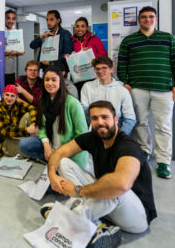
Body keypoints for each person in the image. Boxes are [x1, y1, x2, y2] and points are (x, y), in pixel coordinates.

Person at [42, 101, 157, 246]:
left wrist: (78, 190)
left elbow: (121, 184)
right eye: (95, 118)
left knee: (113, 187)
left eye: (105, 117)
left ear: (115, 120)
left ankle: (72, 216)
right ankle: (92, 220)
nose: (100, 122)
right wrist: (52, 175)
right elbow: (58, 153)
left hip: (136, 218)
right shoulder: (93, 138)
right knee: (64, 163)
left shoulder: (128, 146)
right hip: (107, 207)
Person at [117, 6, 175, 179]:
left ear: (156, 19)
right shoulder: (129, 41)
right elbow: (122, 63)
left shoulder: (168, 38)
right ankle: (144, 152)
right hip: (137, 88)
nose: (148, 19)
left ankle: (163, 162)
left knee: (163, 126)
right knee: (140, 123)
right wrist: (125, 82)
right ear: (139, 20)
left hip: (164, 89)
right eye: (144, 17)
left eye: (151, 17)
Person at [18, 66, 88, 168]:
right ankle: (50, 159)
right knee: (24, 145)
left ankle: (54, 161)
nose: (50, 83)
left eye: (54, 80)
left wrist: (59, 153)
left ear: (61, 82)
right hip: (52, 143)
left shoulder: (72, 103)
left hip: (70, 152)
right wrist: (46, 146)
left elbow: (82, 135)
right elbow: (41, 127)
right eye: (47, 80)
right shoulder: (43, 100)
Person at [81, 56, 136, 135]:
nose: (100, 71)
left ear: (112, 69)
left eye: (104, 68)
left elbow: (130, 118)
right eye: (97, 69)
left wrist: (120, 137)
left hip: (116, 129)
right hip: (94, 129)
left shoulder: (122, 90)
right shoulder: (87, 87)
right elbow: (85, 114)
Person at [0, 85, 37, 158]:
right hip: (4, 144)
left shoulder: (16, 104)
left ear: (17, 97)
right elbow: (5, 131)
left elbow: (32, 108)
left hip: (15, 134)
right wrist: (27, 130)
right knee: (32, 151)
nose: (9, 98)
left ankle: (31, 140)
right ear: (3, 95)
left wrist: (34, 124)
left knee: (28, 114)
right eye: (7, 95)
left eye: (12, 96)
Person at [68, 17, 107, 96]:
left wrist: (91, 53)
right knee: (79, 97)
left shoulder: (95, 39)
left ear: (87, 28)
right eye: (77, 26)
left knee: (93, 97)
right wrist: (67, 56)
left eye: (82, 26)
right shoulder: (71, 41)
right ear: (74, 28)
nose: (80, 29)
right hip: (78, 76)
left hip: (92, 75)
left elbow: (104, 56)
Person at [5, 9, 24, 85]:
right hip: (0, 70)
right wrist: (5, 53)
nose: (11, 21)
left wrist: (18, 53)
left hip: (11, 70)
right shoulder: (0, 32)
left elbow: (14, 50)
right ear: (4, 19)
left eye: (13, 19)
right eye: (8, 18)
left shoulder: (16, 32)